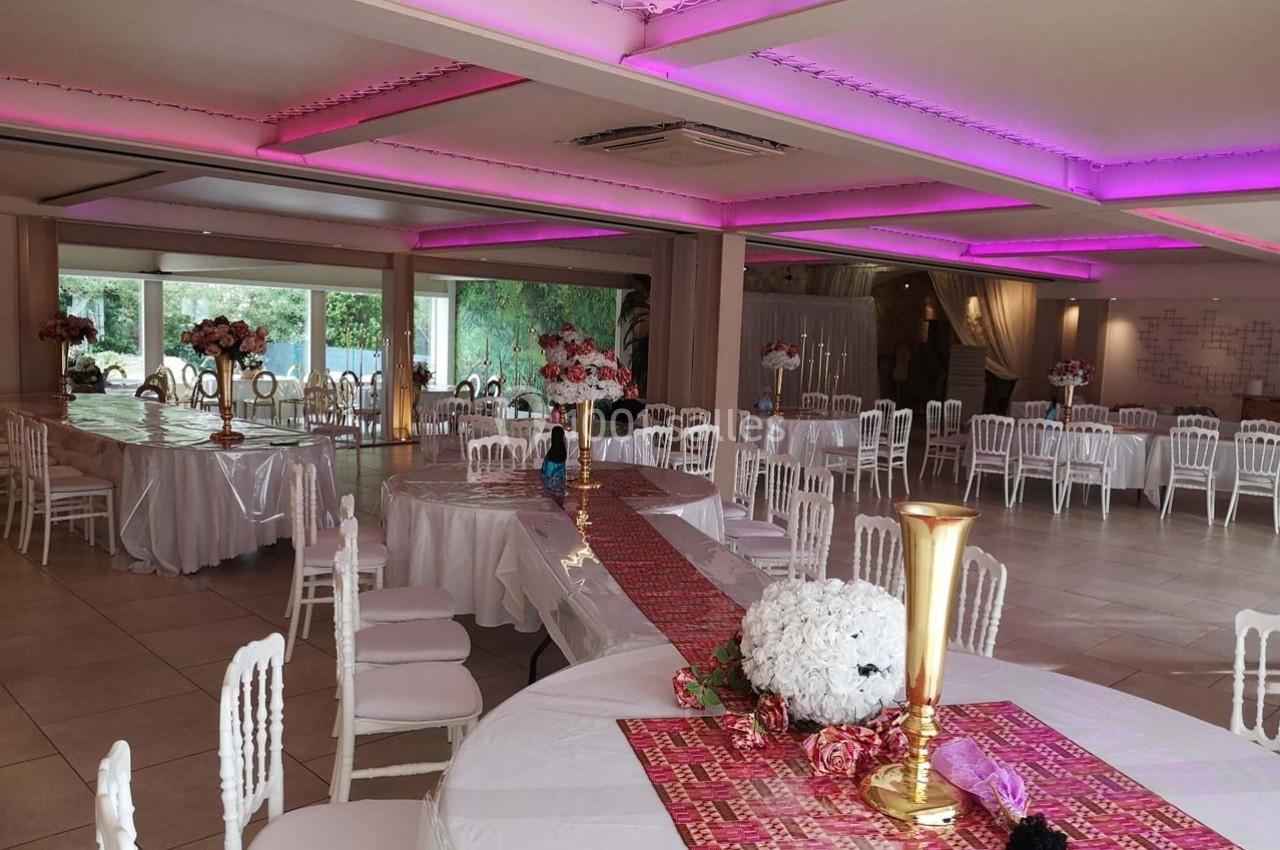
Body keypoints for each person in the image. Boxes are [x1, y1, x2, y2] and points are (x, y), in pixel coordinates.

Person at [541, 425, 568, 497]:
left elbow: (546, 477)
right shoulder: (563, 453)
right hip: (560, 487)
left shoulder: (550, 457)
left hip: (550, 488)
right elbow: (563, 474)